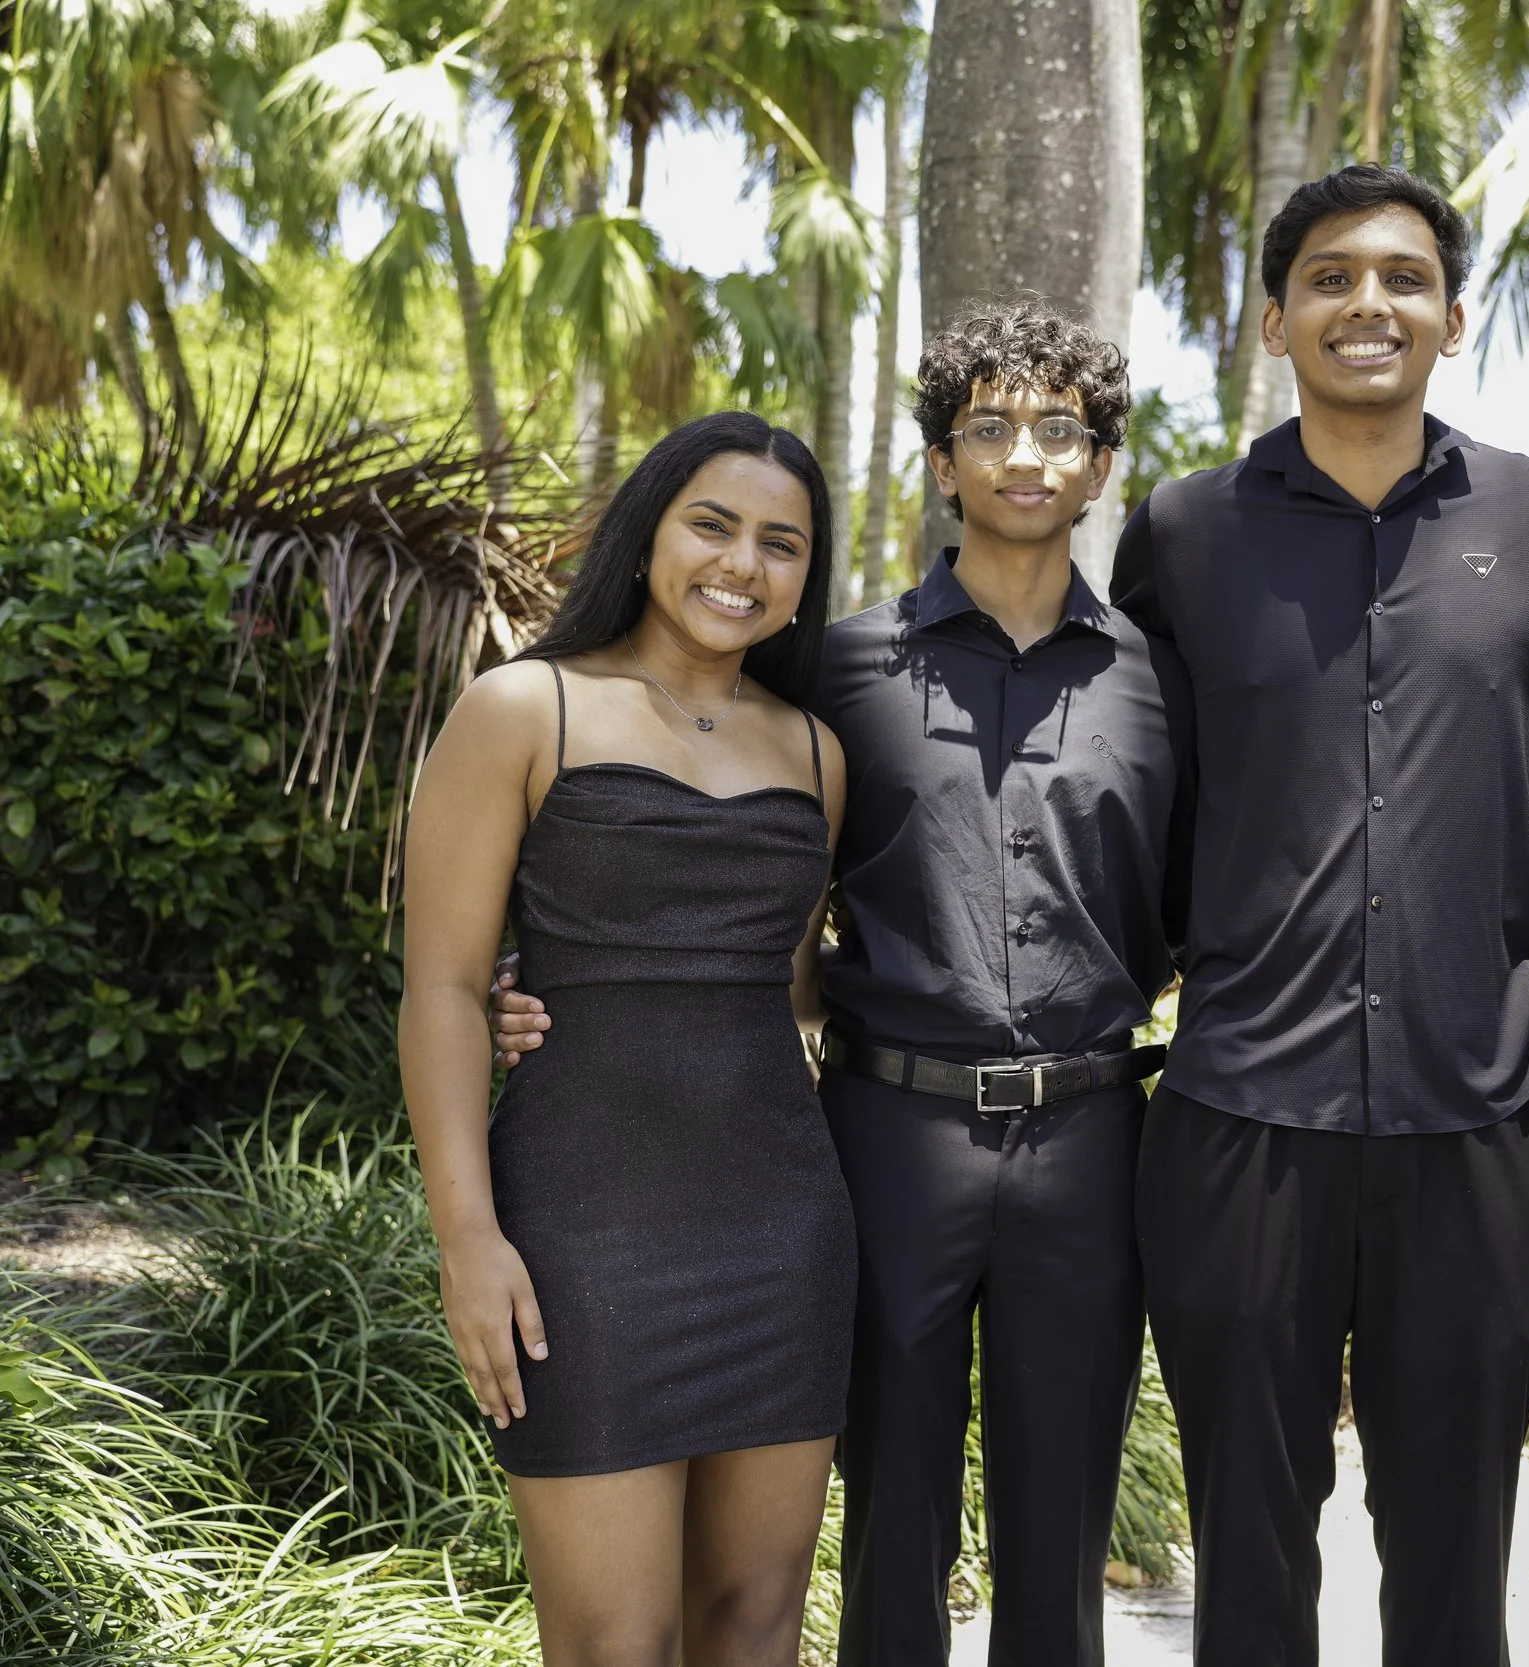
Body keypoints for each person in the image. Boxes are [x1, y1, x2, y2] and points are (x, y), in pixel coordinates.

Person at [493, 299, 1191, 1667]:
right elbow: (728, 863)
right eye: (989, 425)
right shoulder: (842, 675)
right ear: (943, 460)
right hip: (885, 1136)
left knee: (1062, 1531)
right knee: (888, 1528)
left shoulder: (1163, 680)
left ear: (1103, 463)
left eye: (1063, 429)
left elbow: (1192, 900)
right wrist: (557, 974)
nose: (1027, 456)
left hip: (1094, 1132)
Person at [1110, 164, 1529, 1667]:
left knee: (1455, 1550)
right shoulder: (1187, 529)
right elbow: (1149, 787)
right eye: (1328, 277)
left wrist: (1475, 914)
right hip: (1239, 1108)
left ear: (1454, 318)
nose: (1366, 302)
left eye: (1402, 277)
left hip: (1475, 1118)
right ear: (1274, 318)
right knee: (1250, 1556)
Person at [399, 412, 851, 1667]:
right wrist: (467, 1237)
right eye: (711, 523)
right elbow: (438, 986)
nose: (741, 563)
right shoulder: (521, 706)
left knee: (752, 1626)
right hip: (582, 1225)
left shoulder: (815, 750)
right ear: (650, 527)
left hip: (782, 1228)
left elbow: (788, 988)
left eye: (781, 542)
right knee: (615, 1642)